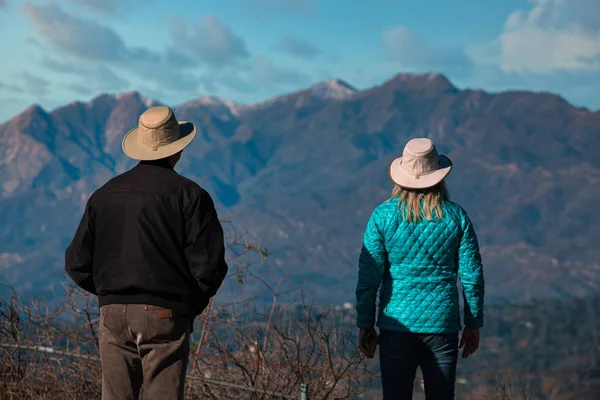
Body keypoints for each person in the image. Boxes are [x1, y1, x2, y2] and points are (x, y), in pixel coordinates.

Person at [65, 106, 229, 400]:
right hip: (165, 314)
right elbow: (210, 267)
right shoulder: (190, 196)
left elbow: (77, 263)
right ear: (177, 150)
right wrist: (187, 304)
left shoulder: (104, 195)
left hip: (111, 314)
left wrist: (110, 294)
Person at [355, 137, 485, 400]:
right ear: (439, 176)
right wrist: (473, 323)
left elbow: (369, 276)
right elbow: (472, 277)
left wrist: (365, 323)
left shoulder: (383, 216)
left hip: (396, 324)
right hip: (442, 323)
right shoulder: (456, 216)